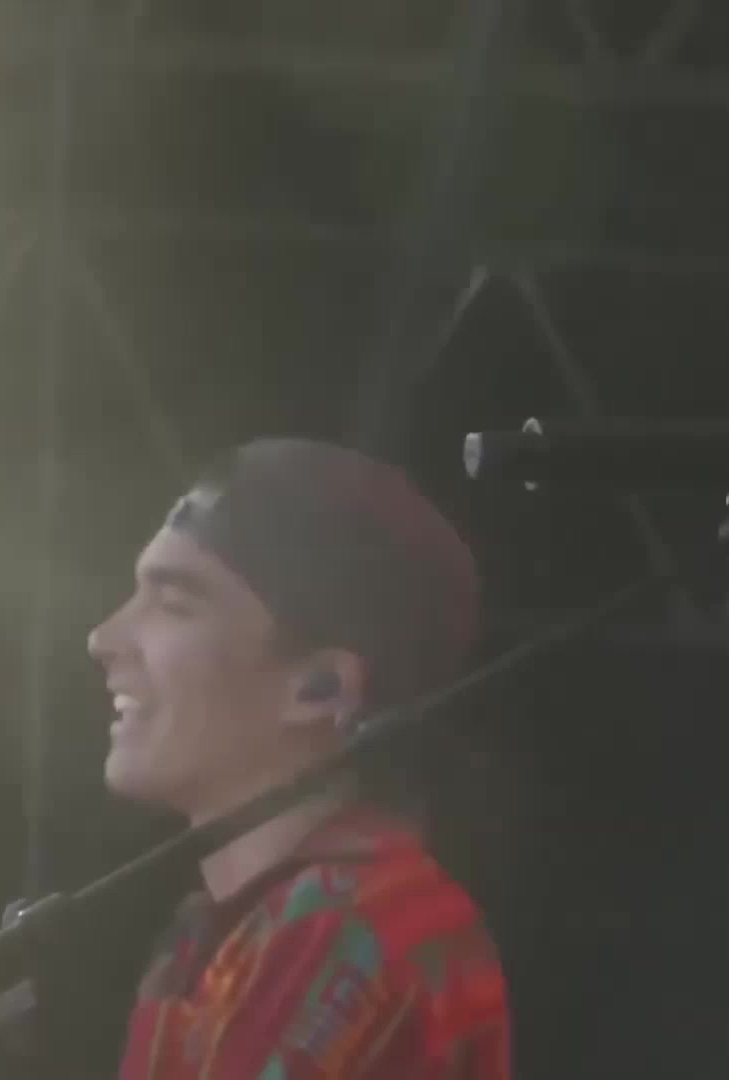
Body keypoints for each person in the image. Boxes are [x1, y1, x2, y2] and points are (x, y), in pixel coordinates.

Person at [86, 437, 511, 1079]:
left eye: (174, 605)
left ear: (320, 688)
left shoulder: (343, 927)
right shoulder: (218, 927)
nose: (103, 639)